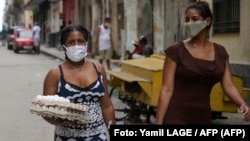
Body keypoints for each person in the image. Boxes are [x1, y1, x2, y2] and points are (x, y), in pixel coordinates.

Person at [155, 1, 250, 124]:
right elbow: (166, 89)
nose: (189, 23)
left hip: (203, 116)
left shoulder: (220, 52)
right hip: (176, 115)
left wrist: (242, 104)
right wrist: (158, 123)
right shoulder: (176, 50)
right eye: (187, 20)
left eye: (195, 19)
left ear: (208, 22)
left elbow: (229, 85)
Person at [42, 23, 116, 141]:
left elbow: (106, 106)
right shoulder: (55, 74)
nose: (76, 45)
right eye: (71, 42)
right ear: (64, 46)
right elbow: (45, 110)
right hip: (66, 137)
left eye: (80, 41)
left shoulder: (98, 69)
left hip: (97, 136)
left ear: (86, 43)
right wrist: (60, 119)